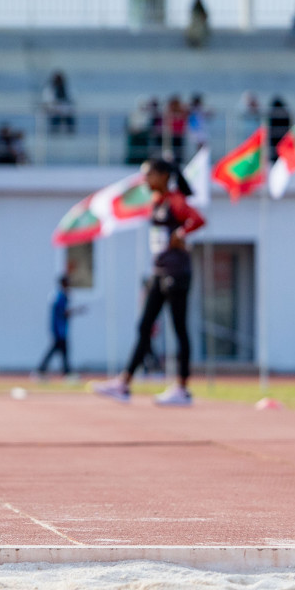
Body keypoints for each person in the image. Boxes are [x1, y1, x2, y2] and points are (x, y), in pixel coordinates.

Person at [91, 158, 206, 406]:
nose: (145, 180)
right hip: (159, 271)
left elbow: (198, 219)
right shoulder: (157, 201)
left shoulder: (176, 200)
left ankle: (182, 389)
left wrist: (181, 234)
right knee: (144, 327)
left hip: (177, 272)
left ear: (163, 176)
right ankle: (123, 384)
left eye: (149, 175)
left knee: (179, 329)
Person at [34, 275, 82, 380]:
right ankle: (42, 371)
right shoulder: (60, 296)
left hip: (61, 329)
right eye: (68, 282)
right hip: (59, 329)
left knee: (62, 351)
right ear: (64, 283)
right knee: (57, 350)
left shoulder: (60, 295)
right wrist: (77, 311)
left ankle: (64, 372)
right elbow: (63, 313)